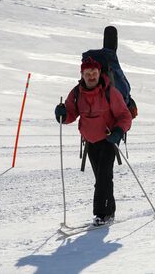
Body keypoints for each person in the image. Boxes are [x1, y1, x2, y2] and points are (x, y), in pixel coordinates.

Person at [55, 56, 132, 226]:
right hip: (90, 141)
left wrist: (118, 132)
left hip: (108, 139)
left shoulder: (110, 92)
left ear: (99, 73)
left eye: (94, 73)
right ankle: (109, 211)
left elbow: (124, 115)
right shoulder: (76, 93)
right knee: (101, 177)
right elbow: (71, 114)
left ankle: (101, 214)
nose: (91, 76)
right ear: (82, 74)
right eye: (88, 73)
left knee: (104, 177)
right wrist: (62, 115)